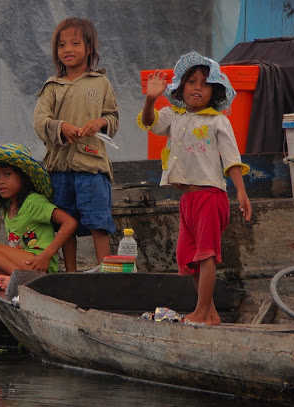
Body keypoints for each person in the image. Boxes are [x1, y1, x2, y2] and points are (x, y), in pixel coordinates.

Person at [137, 52, 253, 326]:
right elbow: (150, 122)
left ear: (214, 91)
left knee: (207, 255)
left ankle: (201, 312)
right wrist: (151, 98)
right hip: (187, 200)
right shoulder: (173, 116)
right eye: (191, 82)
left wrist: (241, 192)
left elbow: (232, 159)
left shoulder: (217, 121)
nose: (197, 87)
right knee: (189, 257)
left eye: (204, 83)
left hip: (210, 197)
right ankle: (210, 313)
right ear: (181, 88)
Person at [33, 17, 119, 272]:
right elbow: (40, 121)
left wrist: (100, 122)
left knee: (98, 220)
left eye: (75, 43)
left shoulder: (100, 83)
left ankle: (104, 271)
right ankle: (70, 273)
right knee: (64, 221)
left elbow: (113, 117)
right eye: (62, 45)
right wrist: (61, 127)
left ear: (89, 48)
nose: (67, 49)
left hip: (92, 166)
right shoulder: (52, 87)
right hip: (59, 169)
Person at [0, 143, 77, 290]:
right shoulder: (7, 207)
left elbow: (70, 222)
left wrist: (46, 256)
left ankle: (20, 281)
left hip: (38, 265)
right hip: (20, 265)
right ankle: (15, 280)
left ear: (23, 177)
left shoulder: (33, 201)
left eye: (7, 174)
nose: (1, 181)